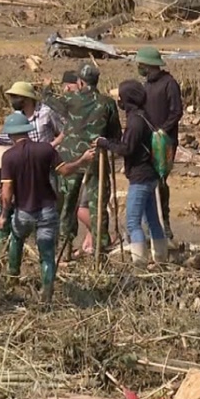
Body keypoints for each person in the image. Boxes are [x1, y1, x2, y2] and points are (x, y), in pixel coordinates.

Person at [0, 112, 94, 304]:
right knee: (47, 254)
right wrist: (82, 160)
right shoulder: (45, 150)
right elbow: (65, 171)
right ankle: (47, 293)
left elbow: (7, 191)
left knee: (17, 239)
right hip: (47, 211)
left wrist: (3, 214)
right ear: (27, 131)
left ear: (10, 135)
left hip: (23, 212)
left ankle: (12, 278)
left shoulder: (8, 157)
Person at [94, 80, 163, 267]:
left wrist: (105, 143)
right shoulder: (145, 116)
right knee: (153, 221)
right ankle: (161, 260)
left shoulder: (135, 121)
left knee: (133, 222)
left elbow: (127, 148)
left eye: (121, 97)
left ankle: (139, 265)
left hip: (140, 177)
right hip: (150, 174)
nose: (119, 100)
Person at [0, 81, 64, 243]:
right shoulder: (16, 118)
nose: (12, 100)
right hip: (24, 168)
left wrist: (49, 147)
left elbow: (64, 132)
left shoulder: (46, 114)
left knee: (48, 206)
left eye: (15, 97)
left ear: (26, 98)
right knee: (26, 206)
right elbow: (6, 139)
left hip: (45, 166)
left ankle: (49, 243)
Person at [58, 66, 123, 259]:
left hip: (71, 161)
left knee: (68, 205)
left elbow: (50, 101)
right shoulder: (107, 103)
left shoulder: (70, 99)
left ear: (79, 82)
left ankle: (65, 250)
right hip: (96, 159)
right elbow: (116, 135)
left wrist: (46, 88)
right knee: (97, 206)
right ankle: (99, 252)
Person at [136, 46, 183, 244]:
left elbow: (176, 111)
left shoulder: (169, 84)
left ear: (151, 65)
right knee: (148, 181)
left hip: (164, 142)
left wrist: (163, 130)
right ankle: (150, 225)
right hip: (147, 142)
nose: (140, 68)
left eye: (142, 65)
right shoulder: (146, 86)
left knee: (161, 181)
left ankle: (165, 223)